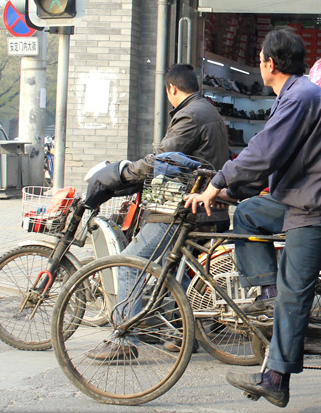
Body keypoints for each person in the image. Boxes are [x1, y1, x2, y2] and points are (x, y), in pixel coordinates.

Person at [185, 26, 321, 409]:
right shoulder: (294, 95)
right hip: (302, 196)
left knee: (294, 293)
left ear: (270, 64)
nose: (259, 63)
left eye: (260, 58)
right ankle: (268, 292)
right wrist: (231, 192)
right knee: (248, 213)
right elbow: (270, 158)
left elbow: (263, 152)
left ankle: (276, 379)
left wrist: (218, 183)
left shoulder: (300, 97)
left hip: (318, 205)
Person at [85, 63, 229, 361]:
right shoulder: (208, 111)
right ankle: (185, 332)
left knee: (130, 262)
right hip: (206, 208)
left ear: (171, 89)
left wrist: (123, 172)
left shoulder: (190, 115)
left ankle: (124, 339)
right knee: (175, 270)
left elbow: (163, 159)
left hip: (181, 210)